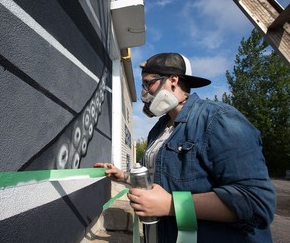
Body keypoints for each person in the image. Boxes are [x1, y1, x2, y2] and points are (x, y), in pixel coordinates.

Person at [95, 52, 276, 243]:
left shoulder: (217, 119)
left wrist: (171, 205)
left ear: (173, 80)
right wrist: (123, 176)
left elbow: (256, 202)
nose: (144, 93)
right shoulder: (158, 130)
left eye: (149, 83)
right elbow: (157, 178)